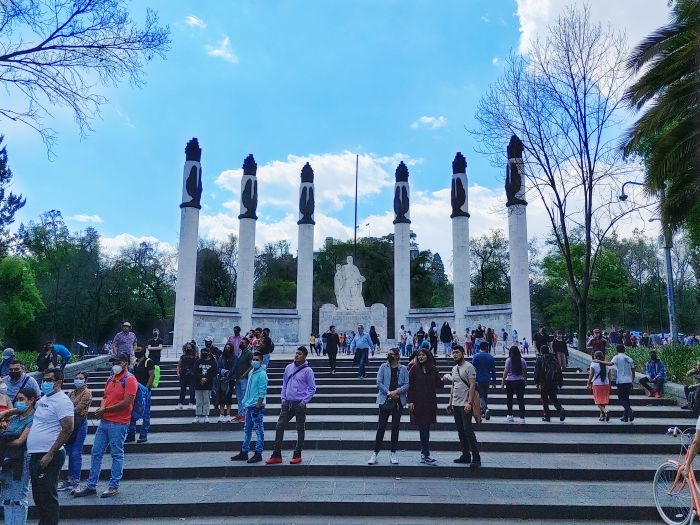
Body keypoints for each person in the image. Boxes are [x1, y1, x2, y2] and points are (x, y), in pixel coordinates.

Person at [73, 353, 136, 499]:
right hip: (105, 421)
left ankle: (114, 486)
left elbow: (127, 403)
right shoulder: (111, 378)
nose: (115, 365)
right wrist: (102, 409)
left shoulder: (130, 379)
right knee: (96, 452)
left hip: (119, 422)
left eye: (118, 362)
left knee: (116, 454)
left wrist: (105, 410)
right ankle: (91, 485)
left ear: (125, 363)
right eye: (113, 362)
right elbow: (105, 397)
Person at [27, 368, 74, 522]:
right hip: (36, 453)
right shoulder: (44, 399)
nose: (44, 382)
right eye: (44, 379)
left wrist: (50, 454)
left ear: (59, 382)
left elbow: (68, 428)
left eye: (48, 380)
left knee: (48, 497)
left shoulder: (62, 401)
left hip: (49, 455)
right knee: (39, 497)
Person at [266, 347, 316, 465]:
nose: (296, 355)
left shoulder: (308, 371)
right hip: (287, 403)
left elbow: (312, 388)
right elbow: (284, 384)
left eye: (299, 354)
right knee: (279, 426)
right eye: (296, 353)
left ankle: (297, 453)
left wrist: (304, 402)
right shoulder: (289, 367)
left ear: (304, 356)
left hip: (299, 404)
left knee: (300, 429)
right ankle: (276, 454)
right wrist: (283, 398)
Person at [0, 388, 36, 524]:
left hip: (22, 459)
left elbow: (21, 441)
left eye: (22, 400)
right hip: (8, 459)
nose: (18, 403)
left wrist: (3, 439)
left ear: (31, 400)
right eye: (17, 400)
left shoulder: (34, 418)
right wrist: (10, 411)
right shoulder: (15, 417)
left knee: (19, 497)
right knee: (7, 496)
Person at [368, 347, 408, 465]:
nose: (389, 356)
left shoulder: (403, 369)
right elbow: (378, 382)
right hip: (385, 399)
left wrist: (397, 391)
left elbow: (407, 384)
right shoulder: (383, 367)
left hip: (398, 400)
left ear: (397, 356)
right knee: (381, 427)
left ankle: (393, 453)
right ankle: (375, 453)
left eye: (391, 354)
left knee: (395, 427)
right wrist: (389, 392)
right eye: (388, 354)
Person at [444, 345, 481, 468]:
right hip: (456, 403)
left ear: (463, 354)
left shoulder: (469, 367)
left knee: (468, 430)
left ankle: (476, 457)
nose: (454, 355)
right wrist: (450, 402)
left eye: (457, 352)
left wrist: (469, 402)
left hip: (465, 404)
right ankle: (465, 454)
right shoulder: (454, 368)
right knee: (460, 431)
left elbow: (472, 385)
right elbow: (453, 386)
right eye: (453, 352)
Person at [230, 351, 269, 463]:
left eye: (257, 360)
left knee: (258, 430)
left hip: (257, 406)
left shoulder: (262, 374)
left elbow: (262, 392)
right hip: (249, 405)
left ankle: (258, 452)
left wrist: (258, 406)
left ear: (261, 361)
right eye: (254, 359)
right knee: (247, 429)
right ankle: (244, 451)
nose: (255, 361)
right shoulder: (252, 371)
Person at [58, 372, 92, 493]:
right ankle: (69, 480)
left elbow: (77, 409)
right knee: (70, 452)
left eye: (81, 378)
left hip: (80, 424)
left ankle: (75, 480)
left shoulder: (87, 393)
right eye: (76, 378)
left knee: (76, 453)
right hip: (69, 425)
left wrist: (65, 410)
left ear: (85, 380)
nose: (78, 380)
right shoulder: (71, 393)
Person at [407, 348, 443, 464]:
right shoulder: (413, 369)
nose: (421, 357)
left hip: (430, 402)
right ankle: (425, 454)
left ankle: (425, 453)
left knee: (426, 428)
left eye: (423, 355)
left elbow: (439, 384)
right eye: (419, 355)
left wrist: (445, 378)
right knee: (423, 428)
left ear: (428, 356)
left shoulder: (433, 369)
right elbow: (410, 386)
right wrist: (410, 401)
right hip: (418, 403)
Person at [126, 347, 154, 441]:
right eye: (135, 350)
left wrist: (146, 389)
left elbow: (152, 375)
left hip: (144, 391)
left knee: (145, 413)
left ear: (143, 351)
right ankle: (131, 434)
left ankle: (143, 434)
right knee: (132, 412)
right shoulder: (134, 362)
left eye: (138, 350)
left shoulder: (148, 361)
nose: (136, 351)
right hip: (135, 391)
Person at [534, 346, 566, 422]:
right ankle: (560, 409)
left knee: (544, 400)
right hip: (553, 382)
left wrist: (537, 382)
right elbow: (559, 371)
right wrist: (560, 382)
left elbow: (537, 371)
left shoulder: (540, 359)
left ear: (541, 351)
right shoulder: (554, 359)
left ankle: (547, 416)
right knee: (554, 398)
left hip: (544, 382)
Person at [193, 345, 218, 424]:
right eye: (202, 352)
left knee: (206, 400)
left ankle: (206, 415)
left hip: (208, 384)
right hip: (198, 383)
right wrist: (201, 378)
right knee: (199, 400)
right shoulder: (198, 361)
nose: (204, 353)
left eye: (205, 352)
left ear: (209, 353)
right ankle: (198, 415)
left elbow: (214, 372)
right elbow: (195, 371)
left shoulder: (213, 362)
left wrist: (206, 378)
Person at [471, 341, 496, 420]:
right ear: (486, 347)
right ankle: (484, 412)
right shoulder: (490, 357)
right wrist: (494, 381)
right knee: (485, 395)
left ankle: (485, 409)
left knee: (480, 395)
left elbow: (472, 369)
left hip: (478, 379)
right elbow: (493, 370)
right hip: (487, 378)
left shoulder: (475, 356)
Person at [502, 345, 527, 423]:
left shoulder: (508, 360)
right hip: (520, 381)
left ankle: (510, 415)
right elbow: (525, 372)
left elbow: (505, 372)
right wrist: (525, 380)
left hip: (510, 381)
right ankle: (522, 417)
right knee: (521, 400)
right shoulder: (522, 360)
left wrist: (503, 381)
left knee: (509, 399)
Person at [587, 350, 612, 422]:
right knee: (603, 401)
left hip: (597, 384)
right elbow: (610, 377)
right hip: (606, 384)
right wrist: (610, 385)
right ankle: (602, 415)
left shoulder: (593, 364)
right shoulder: (607, 364)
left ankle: (605, 411)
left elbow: (591, 375)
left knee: (598, 401)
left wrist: (588, 383)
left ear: (595, 356)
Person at [233, 339, 254, 422]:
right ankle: (240, 413)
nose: (241, 344)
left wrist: (245, 374)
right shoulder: (240, 353)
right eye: (240, 343)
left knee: (245, 397)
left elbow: (251, 366)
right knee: (239, 397)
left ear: (247, 344)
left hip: (244, 378)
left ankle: (245, 414)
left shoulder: (249, 354)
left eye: (243, 343)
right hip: (238, 378)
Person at [216, 343, 236, 422]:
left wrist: (228, 375)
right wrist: (223, 373)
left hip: (230, 380)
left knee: (228, 397)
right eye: (226, 347)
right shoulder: (221, 357)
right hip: (222, 379)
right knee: (221, 397)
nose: (227, 349)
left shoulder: (234, 357)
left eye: (229, 348)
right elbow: (218, 367)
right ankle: (221, 414)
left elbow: (234, 368)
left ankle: (228, 414)